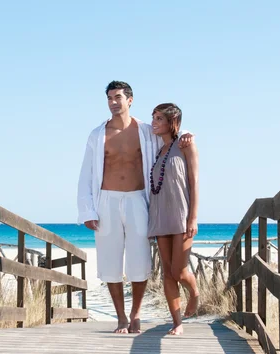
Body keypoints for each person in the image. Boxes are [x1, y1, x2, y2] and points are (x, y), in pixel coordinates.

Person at [77, 81, 193, 334]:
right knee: (110, 261)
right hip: (106, 200)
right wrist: (87, 210)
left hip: (138, 199)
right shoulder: (98, 134)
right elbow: (86, 173)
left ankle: (136, 313)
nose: (113, 102)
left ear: (130, 100)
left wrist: (187, 134)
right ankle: (120, 317)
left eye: (118, 97)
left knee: (139, 259)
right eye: (109, 98)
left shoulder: (145, 130)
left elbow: (170, 133)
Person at [148, 103, 199, 336]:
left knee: (179, 271)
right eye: (153, 118)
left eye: (159, 118)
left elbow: (194, 182)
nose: (154, 122)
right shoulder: (158, 150)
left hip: (181, 215)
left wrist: (193, 217)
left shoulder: (186, 145)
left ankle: (195, 292)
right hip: (160, 216)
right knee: (167, 273)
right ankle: (177, 322)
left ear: (172, 122)